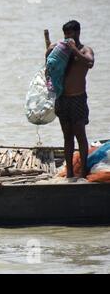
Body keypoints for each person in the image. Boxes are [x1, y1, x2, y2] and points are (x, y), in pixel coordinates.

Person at [46, 20, 94, 178]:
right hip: (63, 99)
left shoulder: (85, 50)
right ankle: (70, 174)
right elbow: (49, 67)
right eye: (65, 34)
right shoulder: (61, 51)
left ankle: (83, 171)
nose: (67, 38)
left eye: (70, 34)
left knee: (80, 134)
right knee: (67, 136)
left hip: (78, 99)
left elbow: (89, 62)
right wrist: (49, 52)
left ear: (78, 33)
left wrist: (74, 49)